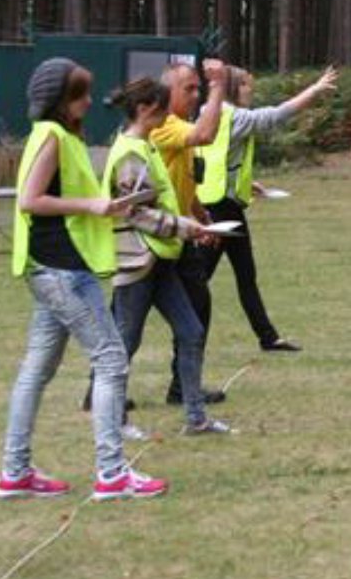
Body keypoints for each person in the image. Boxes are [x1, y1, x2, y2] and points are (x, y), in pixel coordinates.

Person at [0, 59, 169, 503]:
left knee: (37, 369)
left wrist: (103, 204)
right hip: (62, 271)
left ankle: (14, 472)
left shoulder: (59, 137)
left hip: (53, 269)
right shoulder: (52, 137)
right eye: (80, 95)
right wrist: (92, 206)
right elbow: (30, 200)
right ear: (59, 100)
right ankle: (111, 475)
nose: (89, 102)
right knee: (112, 361)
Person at [100, 77, 231, 436]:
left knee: (190, 332)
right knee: (125, 343)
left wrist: (188, 222)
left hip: (161, 260)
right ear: (145, 110)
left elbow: (157, 203)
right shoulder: (130, 151)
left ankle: (196, 418)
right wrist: (184, 227)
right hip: (138, 263)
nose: (166, 119)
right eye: (162, 111)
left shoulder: (146, 145)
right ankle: (114, 421)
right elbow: (135, 213)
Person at [197, 65, 338, 353]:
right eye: (248, 85)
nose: (252, 90)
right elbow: (277, 115)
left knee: (244, 274)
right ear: (235, 87)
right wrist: (315, 89)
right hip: (220, 209)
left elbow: (216, 159)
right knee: (197, 279)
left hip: (222, 203)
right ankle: (189, 333)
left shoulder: (208, 112)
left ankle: (268, 337)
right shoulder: (235, 117)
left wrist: (246, 183)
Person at [149, 59, 229, 406]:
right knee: (128, 321)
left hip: (182, 236)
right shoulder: (164, 126)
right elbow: (206, 134)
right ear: (168, 92)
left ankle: (182, 388)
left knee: (198, 308)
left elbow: (185, 182)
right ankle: (100, 391)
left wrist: (203, 218)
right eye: (189, 89)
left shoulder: (180, 125)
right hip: (154, 238)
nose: (196, 95)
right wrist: (218, 87)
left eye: (199, 88)